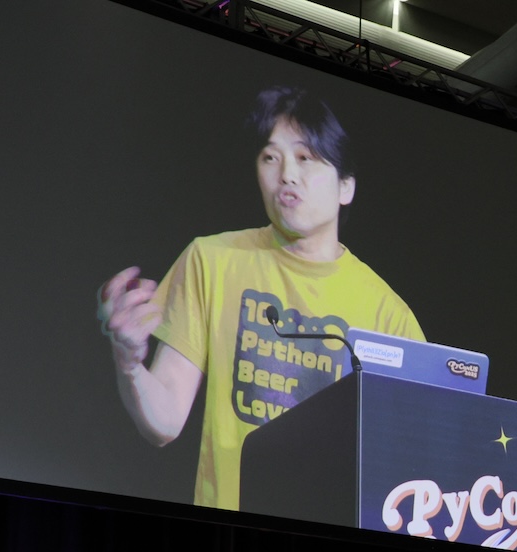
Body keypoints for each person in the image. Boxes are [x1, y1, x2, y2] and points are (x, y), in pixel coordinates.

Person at [96, 86, 425, 510]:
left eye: (305, 157)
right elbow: (164, 423)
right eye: (270, 157)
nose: (287, 174)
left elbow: (417, 457)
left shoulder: (388, 314)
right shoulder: (211, 261)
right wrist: (128, 363)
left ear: (346, 186)